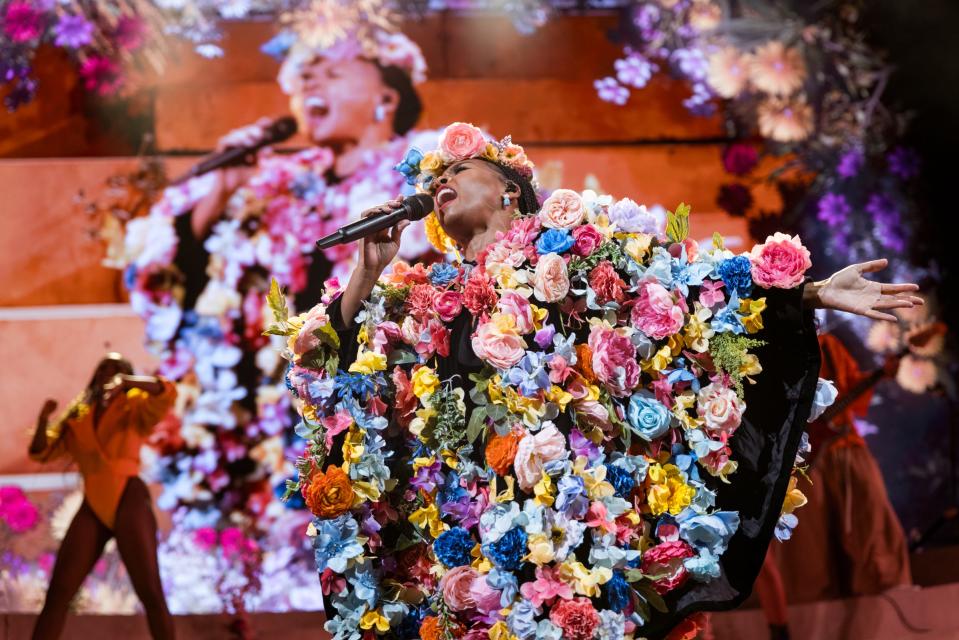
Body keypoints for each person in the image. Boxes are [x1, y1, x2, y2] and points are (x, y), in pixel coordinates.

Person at [273, 122, 922, 638]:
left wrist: (804, 292)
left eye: (458, 170)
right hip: (462, 546)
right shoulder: (417, 296)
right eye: (434, 178)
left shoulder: (579, 254)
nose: (440, 181)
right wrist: (367, 271)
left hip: (574, 530)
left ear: (508, 191)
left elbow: (688, 288)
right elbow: (319, 358)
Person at [109, 27, 437, 531]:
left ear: (386, 95)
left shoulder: (422, 175)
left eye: (330, 72)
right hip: (269, 415)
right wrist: (223, 189)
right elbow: (176, 273)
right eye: (304, 76)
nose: (311, 84)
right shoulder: (277, 176)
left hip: (372, 405)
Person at [28, 353, 177, 640]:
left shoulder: (134, 405)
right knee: (58, 593)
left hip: (128, 496)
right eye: (105, 367)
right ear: (95, 375)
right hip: (94, 502)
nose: (110, 371)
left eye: (118, 368)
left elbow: (166, 391)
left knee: (150, 591)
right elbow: (41, 452)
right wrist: (44, 418)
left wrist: (129, 383)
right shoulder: (78, 417)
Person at [775, 331, 911, 603]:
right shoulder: (775, 351)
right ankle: (812, 602)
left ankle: (887, 587)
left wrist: (881, 373)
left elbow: (851, 386)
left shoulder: (826, 344)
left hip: (843, 446)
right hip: (799, 458)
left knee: (869, 517)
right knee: (808, 537)